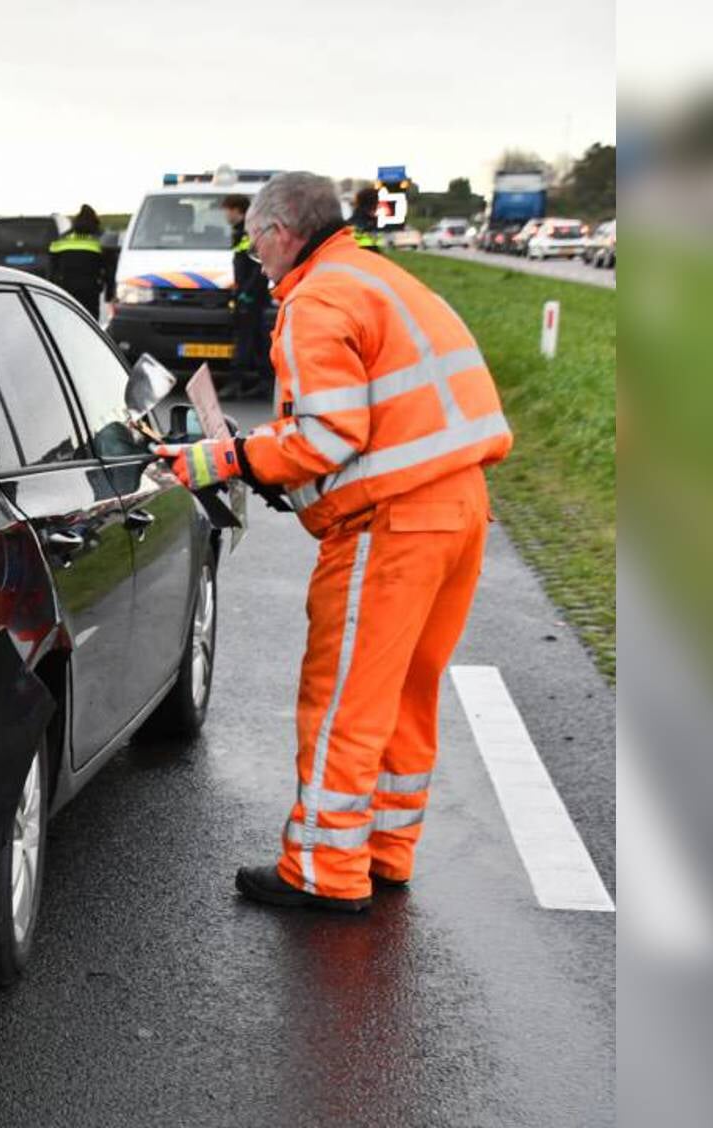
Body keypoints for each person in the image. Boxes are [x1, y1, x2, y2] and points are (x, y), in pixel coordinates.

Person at [150, 171, 513, 913]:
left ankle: (323, 869)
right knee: (406, 693)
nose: (253, 257)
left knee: (345, 698)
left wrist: (229, 457)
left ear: (283, 233)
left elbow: (326, 436)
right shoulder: (375, 277)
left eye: (254, 241)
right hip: (457, 507)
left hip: (392, 524)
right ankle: (383, 849)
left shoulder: (316, 300)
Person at [222, 193, 273, 398]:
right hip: (250, 293)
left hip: (251, 295)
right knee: (258, 340)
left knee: (243, 340)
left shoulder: (248, 232)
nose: (225, 215)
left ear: (237, 210)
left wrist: (246, 293)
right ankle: (265, 382)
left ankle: (235, 383)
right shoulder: (243, 231)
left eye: (227, 210)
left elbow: (256, 266)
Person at [48, 205, 114, 320]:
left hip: (66, 287)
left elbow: (52, 266)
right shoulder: (100, 239)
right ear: (95, 221)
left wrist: (52, 286)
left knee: (68, 319)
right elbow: (110, 269)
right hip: (90, 289)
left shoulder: (63, 238)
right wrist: (109, 294)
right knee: (90, 321)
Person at [350, 185, 385, 252]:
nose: (379, 205)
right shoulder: (364, 224)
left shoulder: (356, 220)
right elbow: (371, 248)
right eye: (377, 202)